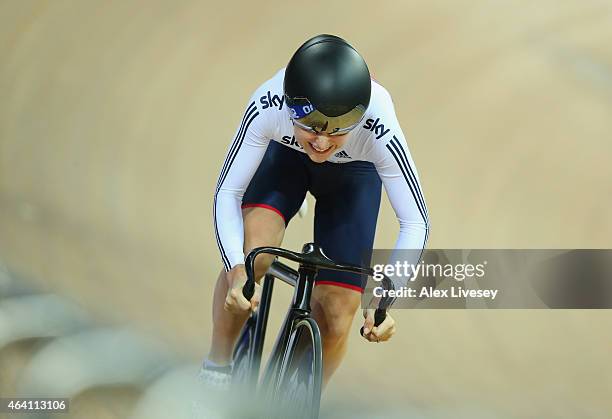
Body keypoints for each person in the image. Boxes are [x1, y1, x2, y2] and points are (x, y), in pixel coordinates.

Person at [201, 34, 429, 389]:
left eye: (336, 132)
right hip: (286, 159)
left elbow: (415, 221)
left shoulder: (380, 125)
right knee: (252, 261)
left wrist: (386, 298)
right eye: (311, 127)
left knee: (338, 316)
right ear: (290, 108)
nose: (322, 142)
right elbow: (227, 192)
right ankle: (215, 369)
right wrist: (233, 269)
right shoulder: (269, 102)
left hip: (354, 175)